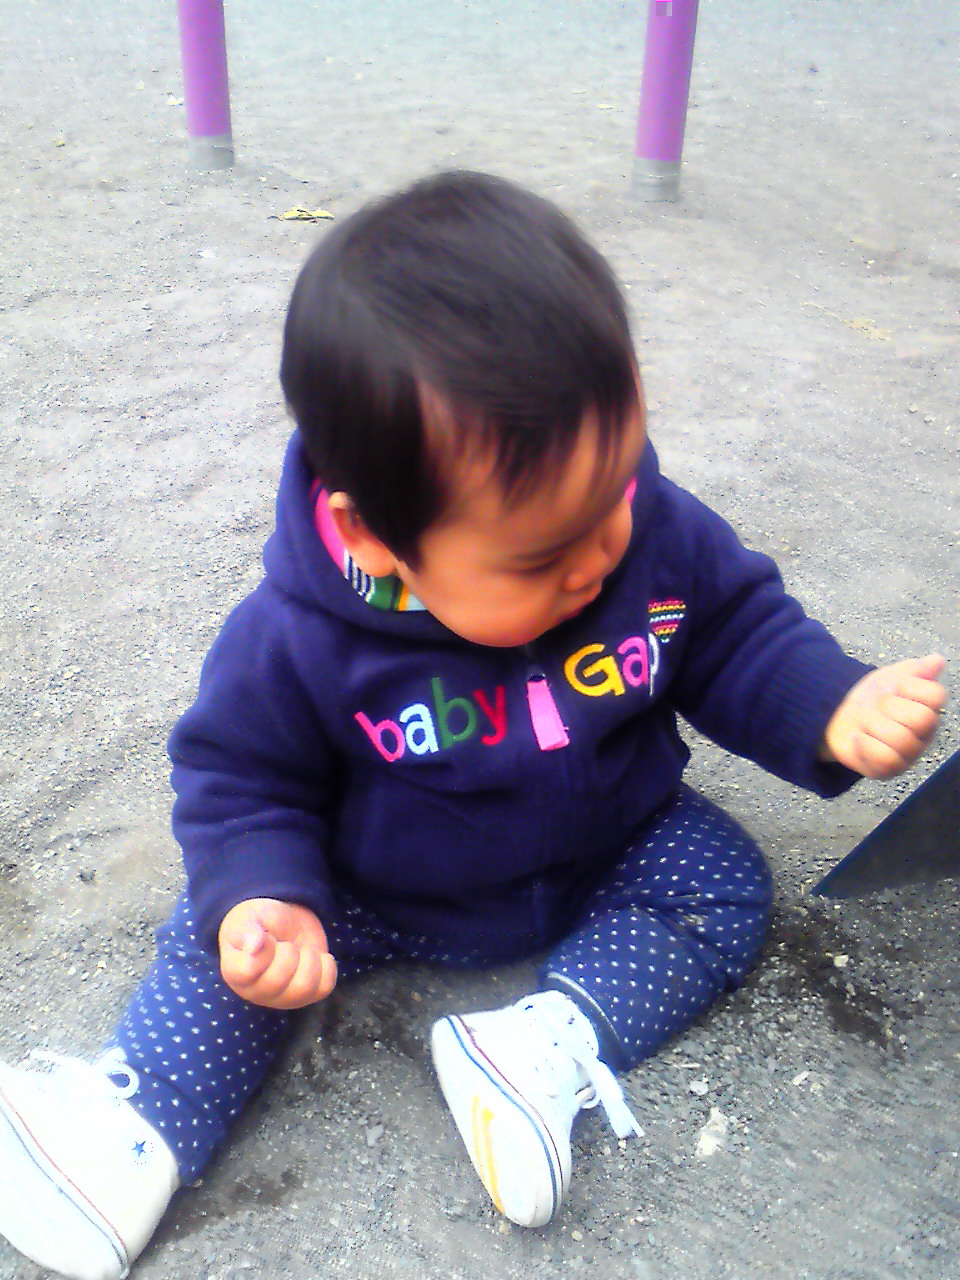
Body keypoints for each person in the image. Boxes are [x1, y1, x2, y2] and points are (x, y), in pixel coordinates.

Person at [0, 171, 946, 1280]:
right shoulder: (297, 640)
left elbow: (732, 627)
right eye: (543, 558)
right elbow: (240, 778)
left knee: (725, 879)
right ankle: (134, 1131)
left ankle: (540, 1045)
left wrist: (830, 703)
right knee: (227, 949)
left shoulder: (641, 525)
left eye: (615, 496)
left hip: (607, 843)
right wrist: (263, 894)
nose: (601, 560)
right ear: (375, 540)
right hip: (370, 889)